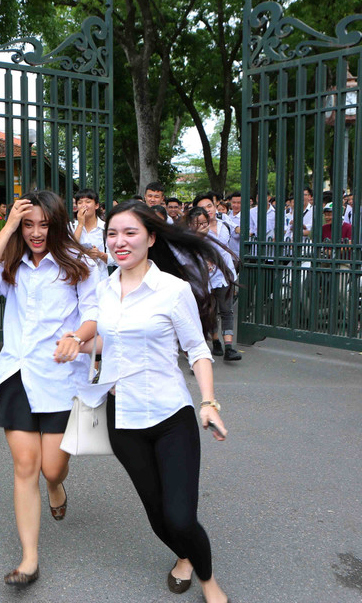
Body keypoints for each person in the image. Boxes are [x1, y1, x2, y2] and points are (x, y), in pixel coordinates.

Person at [76, 200, 231, 603]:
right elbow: (109, 340)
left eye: (129, 233)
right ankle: (184, 555)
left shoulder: (172, 290)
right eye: (112, 233)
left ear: (151, 238)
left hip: (169, 416)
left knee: (180, 516)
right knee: (159, 517)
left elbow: (197, 349)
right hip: (123, 420)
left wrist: (209, 401)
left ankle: (209, 583)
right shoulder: (105, 287)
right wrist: (75, 344)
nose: (119, 241)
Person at [0, 190, 98, 586]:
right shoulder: (14, 264)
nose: (36, 232)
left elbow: (95, 317)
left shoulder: (80, 264)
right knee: (25, 466)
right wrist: (8, 226)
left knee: (51, 467)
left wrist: (75, 337)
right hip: (19, 374)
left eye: (44, 224)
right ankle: (29, 559)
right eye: (29, 224)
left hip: (63, 378)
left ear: (58, 224)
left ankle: (57, 486)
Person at [188, 207, 241, 361]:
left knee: (227, 310)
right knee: (209, 311)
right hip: (203, 280)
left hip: (222, 276)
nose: (202, 226)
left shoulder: (221, 228)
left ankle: (229, 347)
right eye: (198, 223)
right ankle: (215, 341)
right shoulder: (189, 238)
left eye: (204, 223)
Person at [72, 188, 109, 271]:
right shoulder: (72, 227)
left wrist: (100, 254)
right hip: (78, 279)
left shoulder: (105, 228)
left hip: (100, 279)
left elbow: (115, 259)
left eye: (88, 202)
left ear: (96, 205)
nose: (84, 205)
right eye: (80, 203)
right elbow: (69, 251)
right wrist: (80, 224)